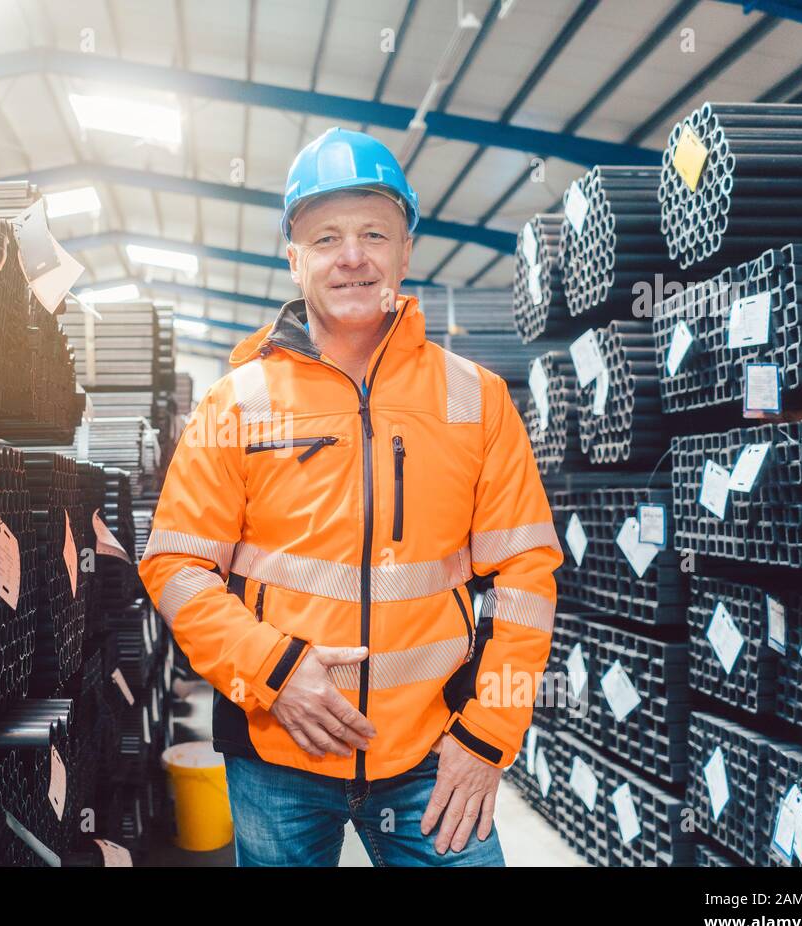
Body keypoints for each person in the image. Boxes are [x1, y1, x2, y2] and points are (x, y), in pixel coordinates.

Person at [139, 127, 562, 866]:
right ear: (294, 256)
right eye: (327, 236)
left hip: (437, 752)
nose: (354, 256)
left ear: (407, 251)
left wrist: (490, 733)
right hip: (278, 751)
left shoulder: (478, 400)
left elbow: (526, 580)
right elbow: (175, 565)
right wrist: (272, 670)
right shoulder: (237, 403)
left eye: (375, 233)